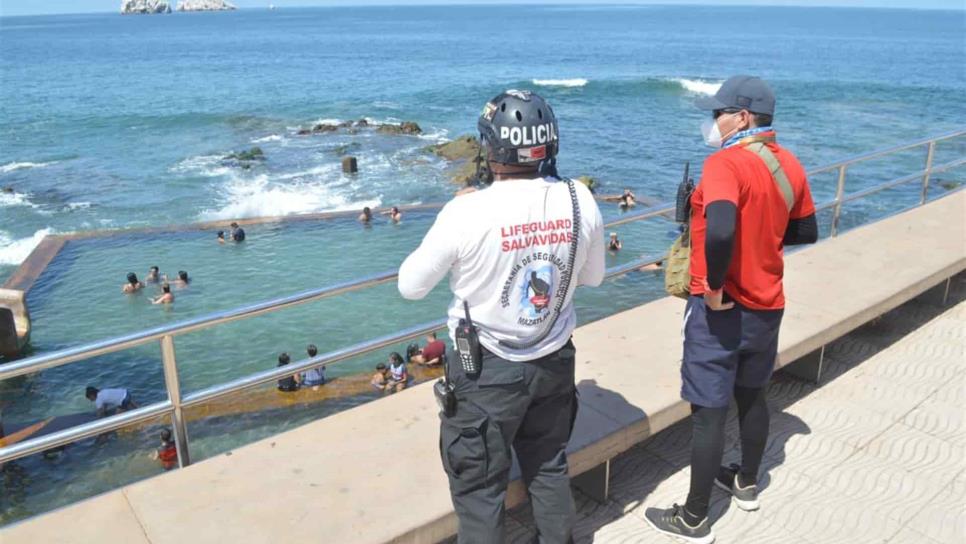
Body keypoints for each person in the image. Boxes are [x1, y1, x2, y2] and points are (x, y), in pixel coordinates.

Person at [398, 89, 605, 543]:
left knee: (479, 491)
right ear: (548, 144)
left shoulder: (466, 211)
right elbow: (593, 277)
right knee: (548, 466)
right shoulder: (579, 198)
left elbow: (410, 287)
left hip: (485, 372)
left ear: (491, 148)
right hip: (553, 359)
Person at [644, 75, 818, 544]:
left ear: (742, 116)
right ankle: (745, 483)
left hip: (722, 310)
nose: (713, 121)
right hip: (768, 305)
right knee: (753, 396)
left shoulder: (725, 164)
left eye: (717, 113)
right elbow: (806, 232)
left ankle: (695, 517)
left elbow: (719, 230)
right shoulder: (790, 165)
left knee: (709, 411)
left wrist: (717, 287)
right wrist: (762, 242)